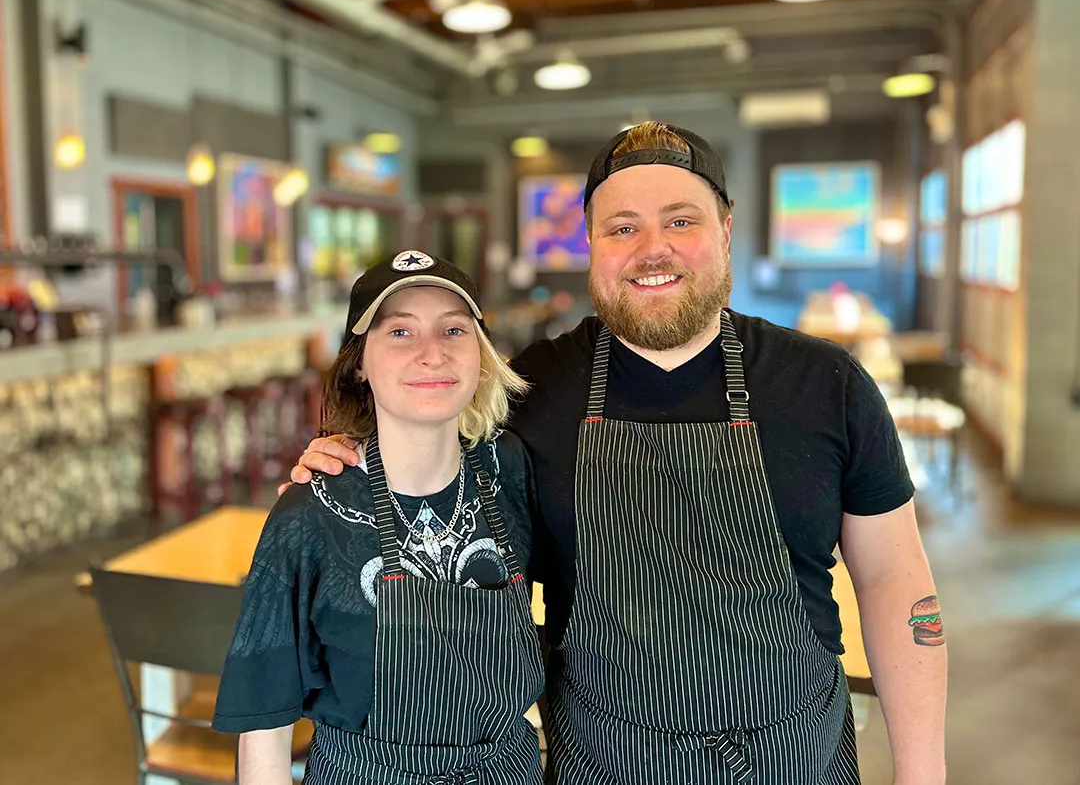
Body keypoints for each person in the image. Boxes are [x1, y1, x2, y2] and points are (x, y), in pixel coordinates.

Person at [287, 122, 948, 784]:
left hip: (793, 756)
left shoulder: (826, 385)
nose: (651, 250)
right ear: (592, 244)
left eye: (680, 221)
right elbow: (422, 474)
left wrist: (923, 776)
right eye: (622, 228)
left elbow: (895, 582)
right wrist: (349, 457)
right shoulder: (528, 391)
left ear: (725, 228)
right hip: (604, 760)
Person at [213, 252, 544, 785]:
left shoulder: (509, 468)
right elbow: (265, 722)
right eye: (400, 333)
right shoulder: (307, 515)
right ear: (360, 363)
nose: (431, 354)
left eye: (453, 330)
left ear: (481, 356)